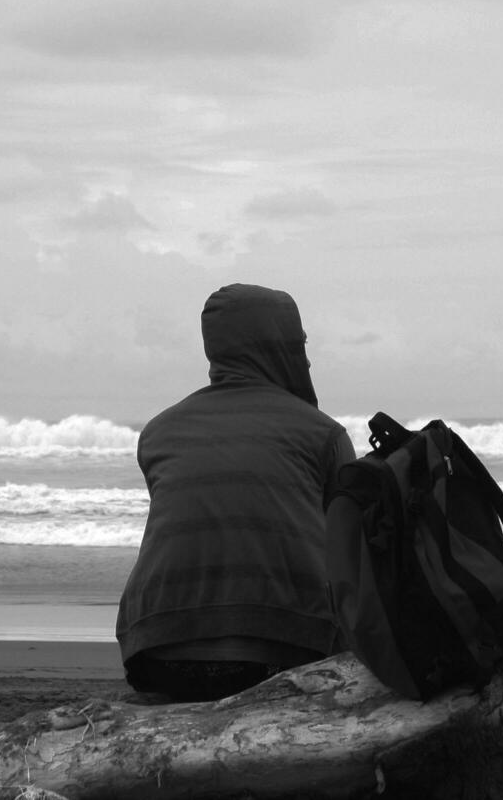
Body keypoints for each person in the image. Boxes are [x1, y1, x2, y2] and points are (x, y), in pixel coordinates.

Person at [116, 283, 356, 701]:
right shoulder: (323, 435)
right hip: (283, 650)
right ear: (278, 347)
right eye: (297, 343)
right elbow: (353, 555)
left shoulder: (158, 432)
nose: (307, 357)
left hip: (153, 650)